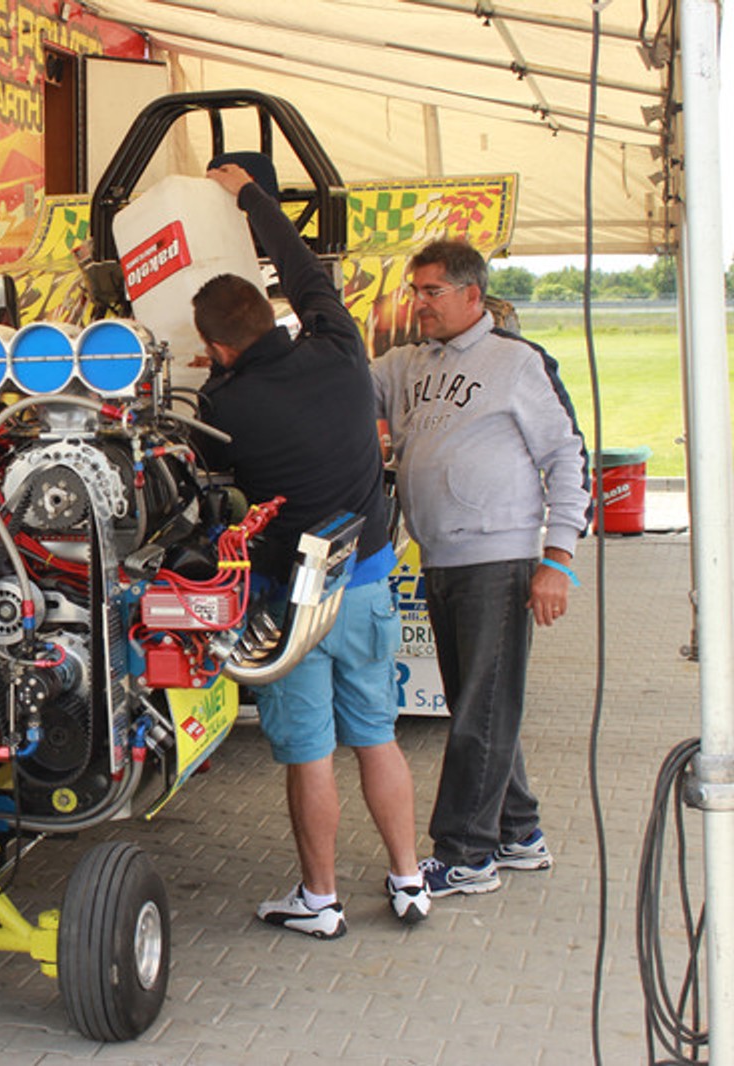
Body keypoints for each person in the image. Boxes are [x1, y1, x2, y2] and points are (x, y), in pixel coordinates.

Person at [192, 162, 428, 939]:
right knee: (377, 736)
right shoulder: (339, 347)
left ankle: (319, 898)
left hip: (291, 606)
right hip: (363, 580)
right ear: (272, 313)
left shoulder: (224, 405)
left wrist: (220, 386)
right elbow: (304, 268)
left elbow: (214, 489)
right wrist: (251, 197)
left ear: (216, 349)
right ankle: (408, 880)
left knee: (310, 753)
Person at [370, 239, 589, 897]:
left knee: (478, 710)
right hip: (440, 556)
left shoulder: (516, 364)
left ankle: (466, 853)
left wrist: (558, 560)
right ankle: (520, 833)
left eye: (431, 291)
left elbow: (567, 458)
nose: (420, 304)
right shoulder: (407, 363)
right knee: (483, 704)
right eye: (415, 291)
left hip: (500, 557)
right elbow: (342, 378)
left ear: (472, 293)